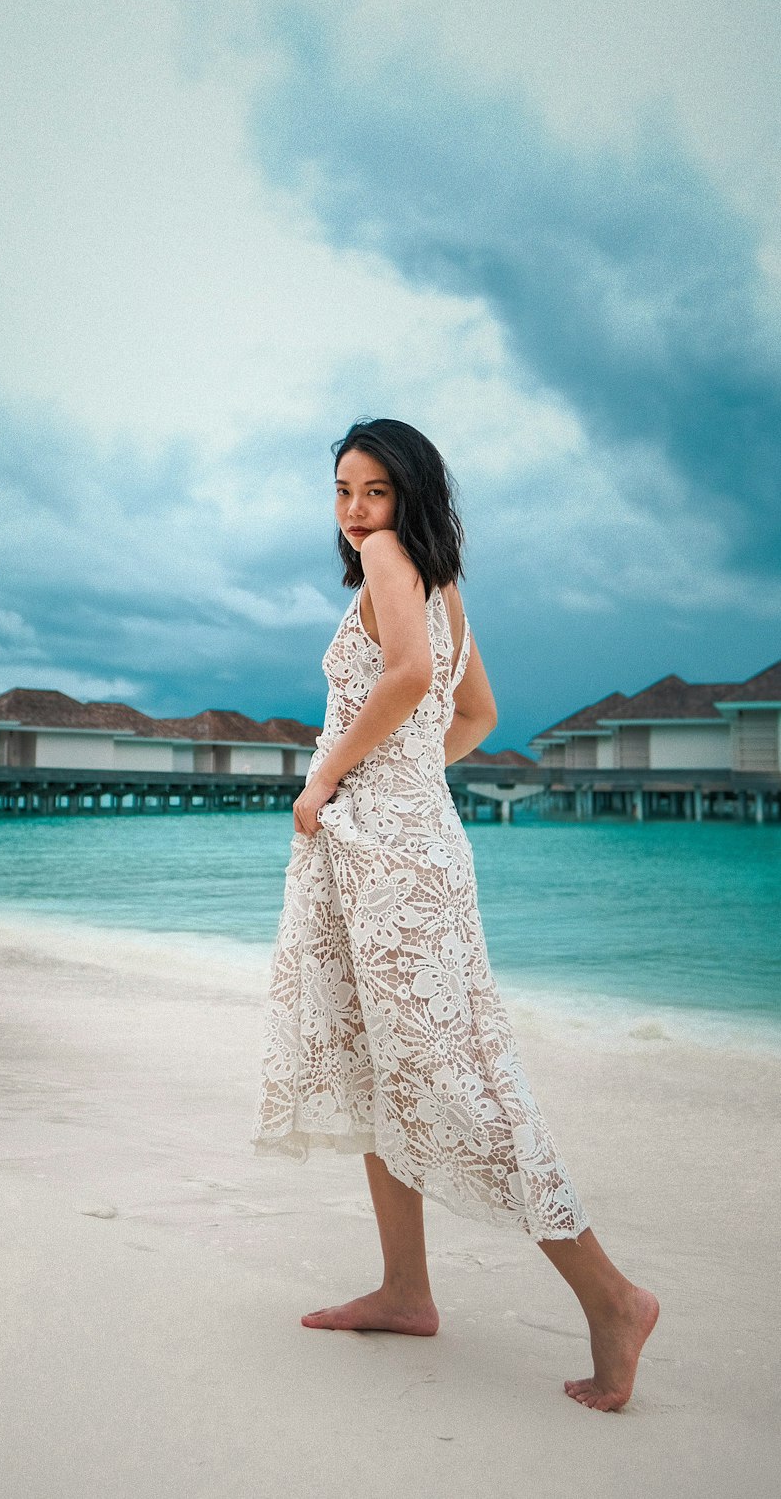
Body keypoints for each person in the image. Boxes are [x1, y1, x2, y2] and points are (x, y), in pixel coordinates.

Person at [251, 417, 658, 1412]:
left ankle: (609, 1297)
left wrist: (332, 782)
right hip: (399, 841)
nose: (355, 513)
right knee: (382, 1064)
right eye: (342, 491)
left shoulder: (393, 561)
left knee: (455, 1076)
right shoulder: (440, 587)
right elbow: (473, 717)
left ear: (410, 498)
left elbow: (410, 681)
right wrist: (395, 779)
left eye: (374, 492)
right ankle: (404, 1289)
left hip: (383, 853)